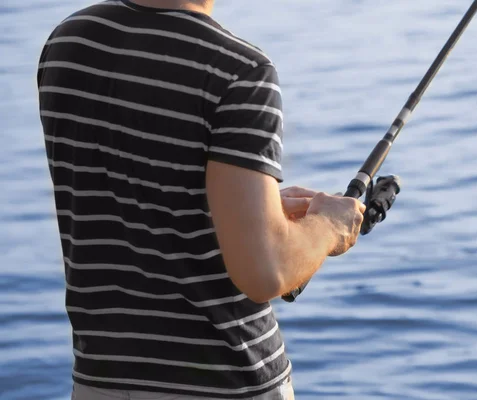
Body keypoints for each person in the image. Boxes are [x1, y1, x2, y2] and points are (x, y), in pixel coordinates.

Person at [37, 0, 365, 399]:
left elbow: (130, 191)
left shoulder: (69, 41)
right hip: (224, 383)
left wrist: (250, 211)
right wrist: (328, 225)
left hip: (100, 379)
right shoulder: (240, 72)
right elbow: (265, 273)